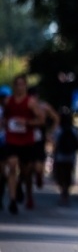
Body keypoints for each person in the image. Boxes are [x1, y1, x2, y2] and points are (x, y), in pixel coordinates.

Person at [3, 75, 45, 214]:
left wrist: (26, 122)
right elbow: (5, 117)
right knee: (12, 165)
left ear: (25, 86)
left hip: (27, 141)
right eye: (17, 84)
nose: (19, 87)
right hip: (11, 140)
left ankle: (20, 184)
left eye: (22, 84)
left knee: (26, 170)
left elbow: (41, 120)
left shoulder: (31, 103)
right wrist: (5, 124)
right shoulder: (8, 102)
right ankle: (13, 200)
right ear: (14, 86)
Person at [53, 108, 78, 206]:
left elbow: (55, 143)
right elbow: (77, 144)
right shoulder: (74, 130)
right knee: (68, 175)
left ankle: (63, 191)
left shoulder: (58, 130)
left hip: (60, 156)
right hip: (71, 157)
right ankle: (66, 191)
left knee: (60, 175)